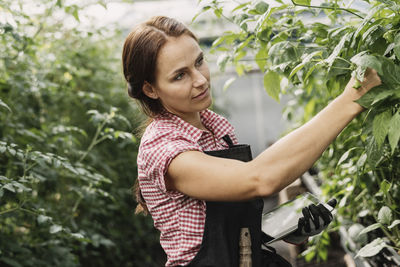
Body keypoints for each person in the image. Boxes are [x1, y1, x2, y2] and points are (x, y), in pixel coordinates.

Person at [122, 16, 381, 267]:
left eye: (199, 61)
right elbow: (259, 178)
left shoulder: (215, 128)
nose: (200, 80)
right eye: (180, 75)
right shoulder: (163, 148)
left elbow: (230, 229)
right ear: (150, 89)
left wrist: (288, 229)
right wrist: (352, 99)